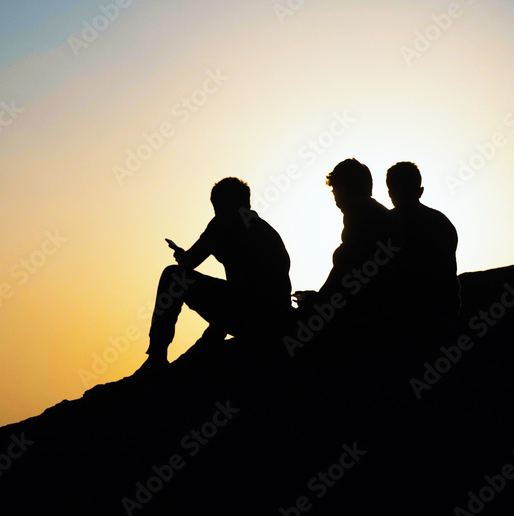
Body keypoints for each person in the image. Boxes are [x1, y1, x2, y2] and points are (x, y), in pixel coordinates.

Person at [139, 177, 292, 372]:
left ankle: (156, 356)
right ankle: (210, 340)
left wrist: (181, 255)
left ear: (221, 205)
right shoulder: (265, 229)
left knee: (173, 276)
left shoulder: (223, 223)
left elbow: (189, 263)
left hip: (252, 316)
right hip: (276, 317)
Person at [294, 158, 392, 312]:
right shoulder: (376, 214)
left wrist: (317, 300)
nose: (336, 202)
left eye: (334, 192)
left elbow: (346, 270)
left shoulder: (359, 217)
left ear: (345, 190)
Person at [385, 162, 460, 332]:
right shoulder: (442, 223)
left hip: (399, 322)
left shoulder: (384, 225)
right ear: (420, 191)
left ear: (390, 193)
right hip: (441, 317)